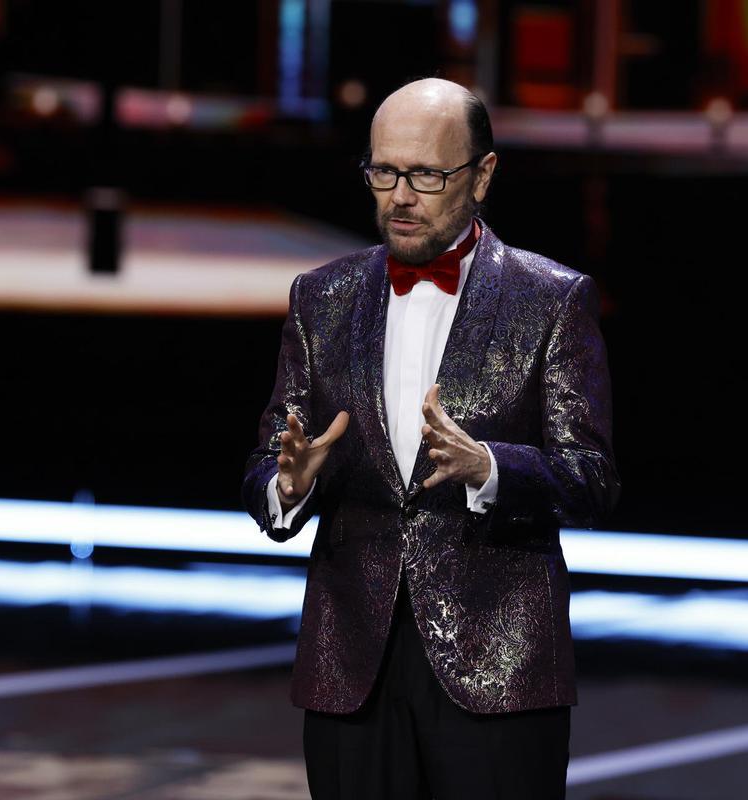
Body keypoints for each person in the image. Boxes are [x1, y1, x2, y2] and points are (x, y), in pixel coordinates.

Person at [242, 78, 619, 800]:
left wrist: (490, 469)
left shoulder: (553, 300)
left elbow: (592, 477)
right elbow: (267, 464)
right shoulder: (319, 299)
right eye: (383, 172)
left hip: (501, 672)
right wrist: (287, 487)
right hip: (351, 667)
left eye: (426, 175)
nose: (401, 196)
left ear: (481, 176)